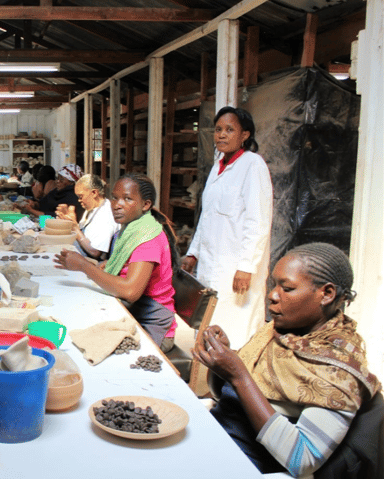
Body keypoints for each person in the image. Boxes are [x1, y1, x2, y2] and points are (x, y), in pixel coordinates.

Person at [194, 243, 380, 477]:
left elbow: (302, 458)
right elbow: (225, 396)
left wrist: (239, 375)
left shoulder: (339, 370)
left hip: (248, 462)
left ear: (327, 293)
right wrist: (221, 363)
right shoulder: (280, 332)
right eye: (274, 284)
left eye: (287, 288)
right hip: (221, 433)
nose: (272, 295)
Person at [181, 106, 273, 350]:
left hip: (236, 265)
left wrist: (246, 266)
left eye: (229, 130)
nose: (221, 135)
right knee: (210, 317)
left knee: (236, 323)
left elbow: (259, 221)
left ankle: (235, 376)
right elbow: (207, 215)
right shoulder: (218, 166)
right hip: (213, 261)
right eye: (218, 129)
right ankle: (207, 372)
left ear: (245, 135)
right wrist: (193, 252)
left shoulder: (253, 165)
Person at [54, 173, 178, 351]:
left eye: (127, 199)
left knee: (85, 344)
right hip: (132, 312)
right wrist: (112, 267)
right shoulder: (130, 228)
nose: (117, 205)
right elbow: (127, 266)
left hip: (150, 324)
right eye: (114, 198)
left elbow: (130, 291)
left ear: (146, 204)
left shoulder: (147, 237)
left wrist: (84, 266)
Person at [56, 174, 120, 260]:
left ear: (94, 193)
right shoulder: (92, 208)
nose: (79, 200)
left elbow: (95, 252)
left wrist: (75, 228)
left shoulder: (106, 215)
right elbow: (83, 235)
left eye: (81, 196)